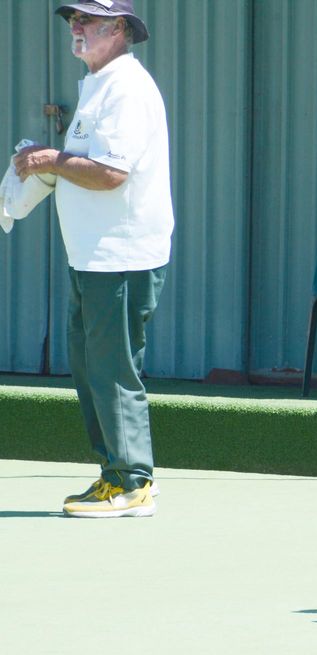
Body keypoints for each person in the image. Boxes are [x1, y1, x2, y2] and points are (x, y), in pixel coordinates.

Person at [13, 0, 173, 518]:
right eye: (72, 20)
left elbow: (111, 174)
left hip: (121, 258)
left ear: (120, 29)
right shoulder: (100, 85)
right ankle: (114, 477)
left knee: (111, 369)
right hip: (92, 257)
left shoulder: (126, 87)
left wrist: (48, 158)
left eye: (87, 18)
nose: (76, 27)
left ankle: (133, 485)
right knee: (89, 366)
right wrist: (49, 161)